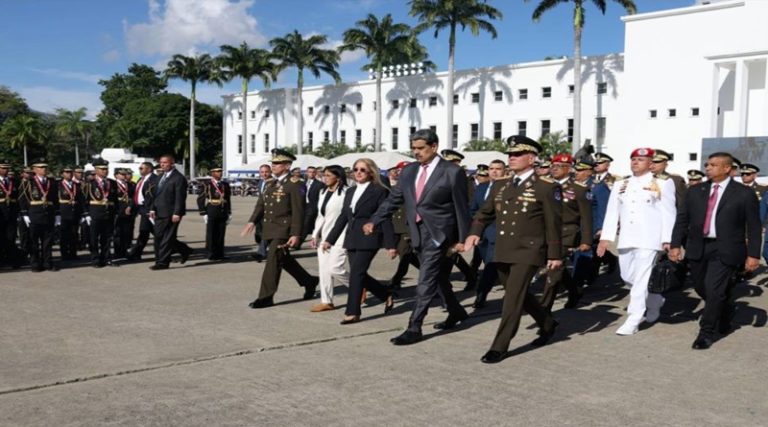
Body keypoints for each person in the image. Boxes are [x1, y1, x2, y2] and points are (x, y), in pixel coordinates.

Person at [366, 129, 470, 346]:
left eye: (421, 148)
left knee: (425, 279)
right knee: (437, 277)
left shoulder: (452, 172)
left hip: (438, 233)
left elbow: (461, 207)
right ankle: (456, 311)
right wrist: (375, 220)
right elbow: (394, 199)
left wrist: (462, 239)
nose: (416, 152)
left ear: (434, 146)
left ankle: (414, 327)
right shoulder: (409, 171)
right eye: (413, 148)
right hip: (416, 231)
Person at [465, 136, 562, 364]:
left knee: (511, 298)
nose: (512, 158)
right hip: (503, 248)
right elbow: (484, 213)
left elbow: (553, 223)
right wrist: (474, 232)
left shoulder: (546, 187)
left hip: (529, 250)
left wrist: (555, 255)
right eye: (510, 154)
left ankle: (499, 346)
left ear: (532, 158)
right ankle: (547, 323)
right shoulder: (501, 185)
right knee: (519, 294)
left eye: (518, 154)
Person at [669, 152, 761, 350]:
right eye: (707, 165)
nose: (708, 168)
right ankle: (726, 309)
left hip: (726, 248)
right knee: (701, 287)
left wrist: (753, 255)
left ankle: (706, 332)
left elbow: (754, 226)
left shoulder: (743, 193)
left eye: (713, 165)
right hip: (698, 246)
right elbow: (682, 219)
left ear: (727, 168)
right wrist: (675, 244)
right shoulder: (696, 191)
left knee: (714, 289)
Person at [597, 148, 676, 336]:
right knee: (627, 276)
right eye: (633, 159)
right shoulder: (621, 183)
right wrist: (605, 238)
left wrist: (668, 238)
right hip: (627, 237)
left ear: (650, 163)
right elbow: (612, 212)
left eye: (640, 159)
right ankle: (655, 299)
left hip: (649, 238)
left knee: (641, 279)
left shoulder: (662, 183)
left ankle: (633, 319)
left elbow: (668, 212)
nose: (635, 162)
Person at [242, 149, 319, 308]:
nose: (273, 166)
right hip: (270, 228)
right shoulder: (270, 183)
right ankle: (308, 281)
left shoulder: (295, 184)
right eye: (273, 163)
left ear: (287, 166)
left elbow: (298, 211)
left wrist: (296, 234)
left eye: (277, 163)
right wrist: (252, 221)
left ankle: (266, 296)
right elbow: (261, 204)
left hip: (284, 230)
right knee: (284, 259)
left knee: (272, 261)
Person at [324, 159, 396, 323]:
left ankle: (353, 312)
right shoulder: (351, 191)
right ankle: (385, 294)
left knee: (356, 274)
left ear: (371, 172)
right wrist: (330, 239)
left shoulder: (379, 190)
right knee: (359, 273)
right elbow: (344, 216)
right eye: (355, 169)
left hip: (369, 236)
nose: (358, 172)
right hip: (352, 237)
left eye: (363, 170)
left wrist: (390, 245)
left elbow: (385, 217)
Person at [540, 153, 593, 311]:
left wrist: (586, 240)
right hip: (545, 232)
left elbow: (586, 217)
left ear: (569, 169)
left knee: (553, 270)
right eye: (553, 166)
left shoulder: (579, 189)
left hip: (566, 233)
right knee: (557, 267)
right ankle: (574, 290)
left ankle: (544, 309)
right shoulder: (545, 186)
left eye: (560, 166)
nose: (555, 169)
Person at [308, 165, 349, 312]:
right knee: (324, 270)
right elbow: (321, 216)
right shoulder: (323, 192)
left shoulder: (346, 192)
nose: (324, 178)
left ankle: (357, 286)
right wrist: (315, 234)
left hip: (341, 235)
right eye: (323, 175)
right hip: (324, 235)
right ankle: (326, 301)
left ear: (338, 177)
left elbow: (347, 216)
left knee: (335, 268)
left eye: (328, 175)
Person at [440, 148, 477, 291]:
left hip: (456, 222)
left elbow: (467, 203)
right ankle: (470, 276)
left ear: (457, 163)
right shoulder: (441, 179)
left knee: (449, 255)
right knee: (449, 254)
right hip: (442, 222)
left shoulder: (464, 180)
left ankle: (444, 286)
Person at [470, 159, 506, 309]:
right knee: (495, 266)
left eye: (498, 169)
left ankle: (481, 295)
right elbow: (473, 208)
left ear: (504, 171)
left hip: (499, 233)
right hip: (482, 234)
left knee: (490, 266)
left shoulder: (509, 187)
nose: (494, 171)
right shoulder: (482, 187)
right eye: (492, 169)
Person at [148, 155, 192, 270]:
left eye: (165, 162)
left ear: (172, 163)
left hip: (171, 212)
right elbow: (155, 195)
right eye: (161, 162)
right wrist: (152, 208)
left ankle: (162, 262)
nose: (162, 164)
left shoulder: (178, 178)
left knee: (167, 238)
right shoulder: (160, 177)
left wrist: (177, 212)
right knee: (158, 236)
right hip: (159, 212)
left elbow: (180, 197)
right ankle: (184, 250)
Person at [18, 160, 60, 272]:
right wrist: (24, 213)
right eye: (40, 167)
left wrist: (57, 214)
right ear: (35, 170)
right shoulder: (28, 182)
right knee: (34, 241)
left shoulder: (51, 182)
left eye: (45, 167)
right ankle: (35, 264)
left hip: (48, 214)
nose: (44, 169)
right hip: (34, 213)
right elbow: (22, 198)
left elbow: (55, 199)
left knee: (47, 241)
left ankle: (48, 263)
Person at [388, 161, 420, 290]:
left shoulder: (415, 186)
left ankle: (395, 281)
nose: (400, 173)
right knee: (408, 256)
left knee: (404, 255)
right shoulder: (395, 186)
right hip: (395, 227)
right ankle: (434, 274)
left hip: (406, 228)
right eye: (399, 170)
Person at [84, 159, 119, 267]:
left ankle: (106, 258)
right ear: (96, 170)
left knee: (107, 237)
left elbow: (115, 199)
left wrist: (116, 212)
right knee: (94, 237)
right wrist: (86, 214)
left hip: (108, 213)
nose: (105, 171)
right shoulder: (90, 183)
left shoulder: (112, 183)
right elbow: (84, 200)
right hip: (95, 213)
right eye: (102, 169)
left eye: (106, 169)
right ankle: (95, 259)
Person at [197, 167, 231, 260]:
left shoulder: (225, 185)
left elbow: (227, 199)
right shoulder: (207, 184)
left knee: (221, 233)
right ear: (212, 173)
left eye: (220, 171)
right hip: (212, 210)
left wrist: (229, 212)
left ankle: (220, 254)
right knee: (211, 234)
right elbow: (200, 199)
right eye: (217, 172)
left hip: (222, 210)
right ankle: (210, 253)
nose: (220, 173)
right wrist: (203, 213)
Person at [127, 162, 159, 260]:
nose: (140, 170)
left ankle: (135, 253)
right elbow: (136, 194)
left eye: (142, 168)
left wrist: (152, 208)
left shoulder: (154, 179)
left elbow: (155, 196)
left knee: (144, 231)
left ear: (149, 169)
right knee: (152, 232)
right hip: (141, 208)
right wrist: (130, 206)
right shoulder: (141, 179)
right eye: (139, 168)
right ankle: (182, 249)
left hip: (149, 209)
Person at [57, 166, 84, 260]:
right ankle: (64, 254)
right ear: (62, 174)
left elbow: (81, 199)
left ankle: (73, 253)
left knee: (74, 234)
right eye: (67, 172)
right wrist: (57, 213)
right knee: (64, 234)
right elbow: (55, 200)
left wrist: (83, 213)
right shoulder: (58, 185)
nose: (69, 174)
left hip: (75, 211)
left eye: (70, 172)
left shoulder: (76, 185)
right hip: (63, 211)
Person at [0, 160, 22, 268]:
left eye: (7, 168)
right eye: (3, 168)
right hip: (1, 213)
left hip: (12, 213)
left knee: (11, 237)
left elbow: (18, 197)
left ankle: (12, 259)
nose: (6, 170)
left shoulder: (14, 181)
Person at [113, 168, 135, 259]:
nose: (124, 176)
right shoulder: (113, 184)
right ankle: (118, 252)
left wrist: (130, 206)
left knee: (126, 232)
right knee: (117, 232)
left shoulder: (129, 184)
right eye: (122, 174)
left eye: (125, 174)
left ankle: (125, 250)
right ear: (116, 175)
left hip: (127, 210)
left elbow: (133, 197)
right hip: (117, 210)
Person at [252, 164, 272, 262]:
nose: (264, 174)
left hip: (269, 211)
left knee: (266, 232)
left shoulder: (274, 182)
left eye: (266, 172)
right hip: (260, 211)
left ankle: (261, 253)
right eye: (262, 172)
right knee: (258, 233)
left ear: (270, 172)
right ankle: (269, 250)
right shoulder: (260, 182)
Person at [303, 166, 326, 241]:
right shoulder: (303, 183)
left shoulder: (319, 184)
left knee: (306, 223)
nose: (311, 174)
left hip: (312, 206)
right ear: (306, 173)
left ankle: (299, 241)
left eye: (313, 172)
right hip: (303, 206)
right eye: (309, 172)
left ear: (315, 173)